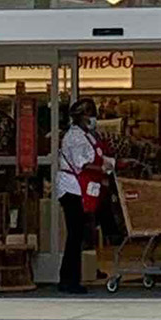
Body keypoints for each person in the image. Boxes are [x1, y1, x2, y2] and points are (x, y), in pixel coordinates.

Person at [53, 97, 112, 294]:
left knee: (79, 234)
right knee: (75, 234)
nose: (94, 119)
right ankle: (69, 280)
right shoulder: (74, 138)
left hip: (81, 188)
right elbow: (82, 164)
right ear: (81, 117)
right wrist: (103, 168)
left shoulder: (88, 136)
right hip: (72, 189)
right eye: (91, 115)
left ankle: (70, 277)